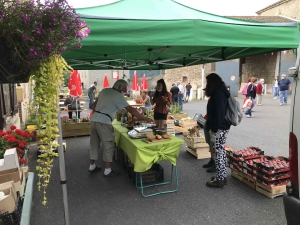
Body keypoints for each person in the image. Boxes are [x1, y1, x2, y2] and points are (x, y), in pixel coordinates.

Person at [89, 79, 153, 177]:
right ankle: (107, 170)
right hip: (104, 122)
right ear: (119, 87)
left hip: (94, 120)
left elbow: (94, 104)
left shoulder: (104, 91)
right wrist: (144, 118)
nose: (125, 90)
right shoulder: (118, 95)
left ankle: (92, 166)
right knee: (108, 145)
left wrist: (93, 114)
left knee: (94, 143)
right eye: (124, 88)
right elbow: (130, 109)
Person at [204, 73, 231, 188]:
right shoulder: (221, 92)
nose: (207, 84)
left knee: (218, 153)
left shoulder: (218, 94)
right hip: (222, 127)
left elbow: (219, 113)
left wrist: (214, 128)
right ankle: (222, 176)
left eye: (208, 82)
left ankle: (220, 179)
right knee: (221, 152)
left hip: (219, 128)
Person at [202, 96, 216, 173]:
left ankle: (215, 163)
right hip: (208, 121)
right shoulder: (211, 97)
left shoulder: (218, 97)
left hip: (213, 124)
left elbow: (217, 113)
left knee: (214, 144)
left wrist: (214, 126)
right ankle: (212, 159)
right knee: (210, 143)